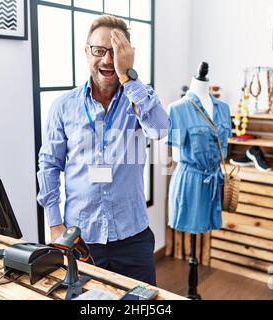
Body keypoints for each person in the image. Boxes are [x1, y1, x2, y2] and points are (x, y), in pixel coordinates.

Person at [37, 15, 170, 285]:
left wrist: (129, 77)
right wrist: (54, 225)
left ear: (128, 56)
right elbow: (49, 165)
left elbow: (160, 130)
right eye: (99, 51)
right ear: (87, 52)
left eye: (116, 52)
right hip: (82, 237)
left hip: (133, 238)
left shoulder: (140, 98)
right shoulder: (63, 106)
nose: (108, 60)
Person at [167, 62, 232, 236]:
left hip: (215, 180)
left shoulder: (223, 108)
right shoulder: (177, 109)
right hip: (191, 181)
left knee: (208, 228)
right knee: (193, 230)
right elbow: (176, 156)